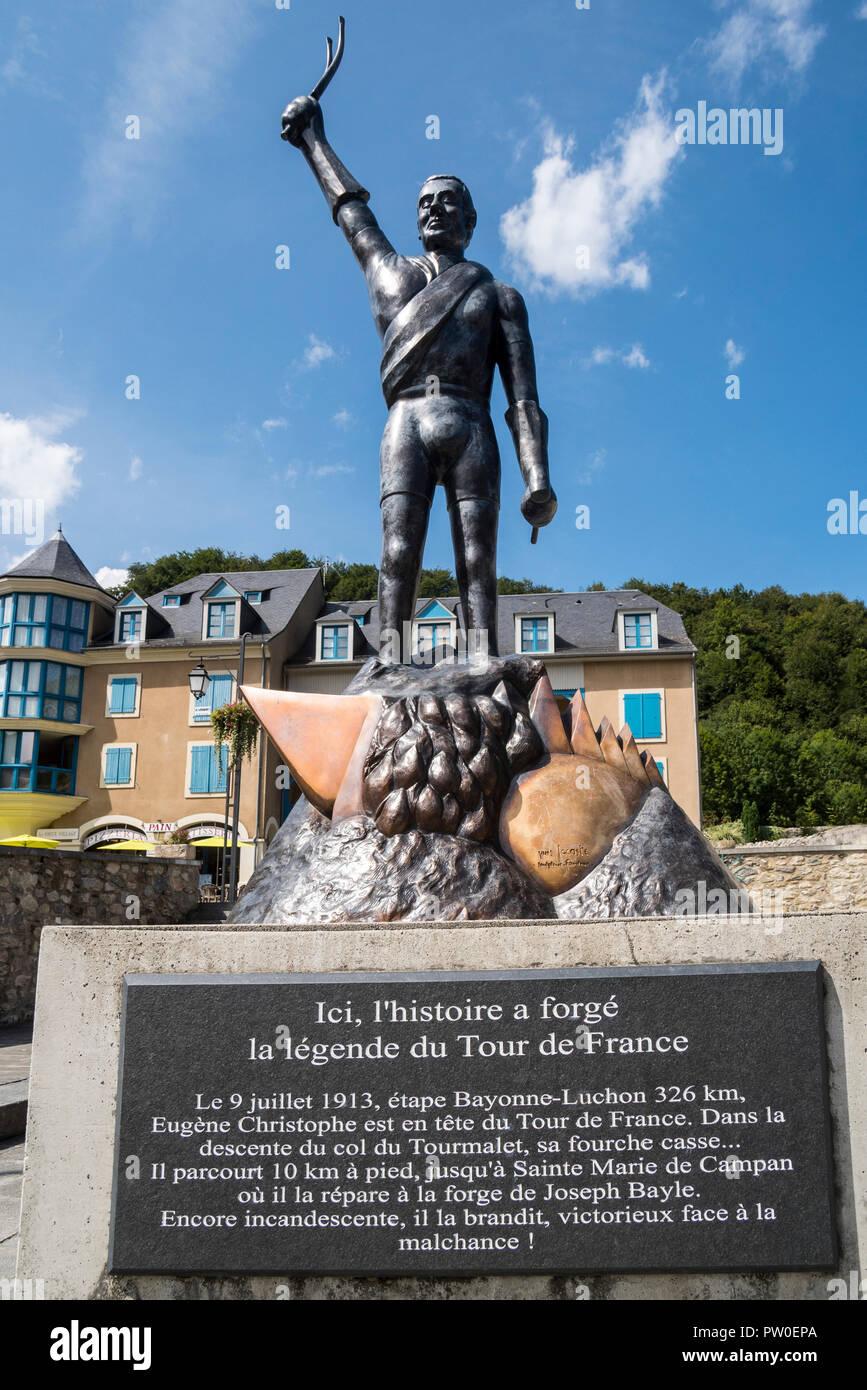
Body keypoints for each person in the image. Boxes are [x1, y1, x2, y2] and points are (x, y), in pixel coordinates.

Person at [281, 95, 557, 657]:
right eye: (425, 203)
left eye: (448, 202)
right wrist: (314, 141)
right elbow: (351, 212)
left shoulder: (501, 297)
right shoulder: (391, 273)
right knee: (397, 551)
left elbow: (523, 400)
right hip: (404, 421)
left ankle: (481, 658)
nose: (434, 210)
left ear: (471, 220)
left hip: (471, 424)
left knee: (478, 557)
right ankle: (389, 660)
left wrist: (538, 477)